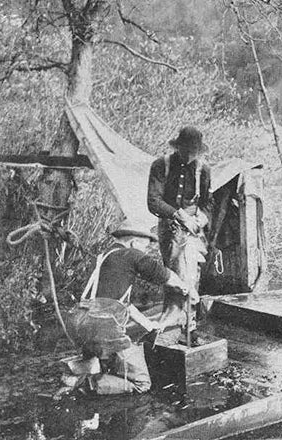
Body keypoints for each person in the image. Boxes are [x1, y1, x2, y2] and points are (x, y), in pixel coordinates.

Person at [63, 220, 196, 395]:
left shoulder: (104, 256)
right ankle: (83, 383)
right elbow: (162, 274)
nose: (147, 252)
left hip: (80, 322)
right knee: (142, 383)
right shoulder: (131, 254)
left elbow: (122, 303)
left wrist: (150, 326)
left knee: (108, 357)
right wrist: (186, 289)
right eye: (146, 248)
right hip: (103, 328)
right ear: (135, 243)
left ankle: (85, 365)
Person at [147, 126, 212, 344]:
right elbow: (153, 201)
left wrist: (200, 220)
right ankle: (175, 324)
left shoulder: (203, 169)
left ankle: (189, 328)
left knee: (191, 275)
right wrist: (179, 215)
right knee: (175, 276)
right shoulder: (161, 165)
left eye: (194, 151)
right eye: (186, 150)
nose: (189, 155)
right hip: (170, 229)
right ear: (178, 147)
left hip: (193, 230)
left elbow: (207, 204)